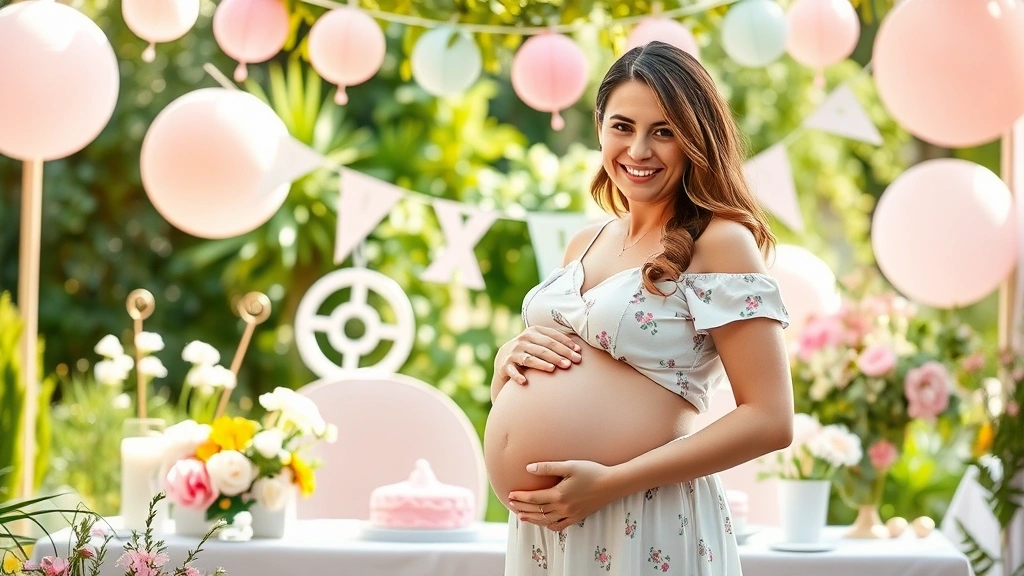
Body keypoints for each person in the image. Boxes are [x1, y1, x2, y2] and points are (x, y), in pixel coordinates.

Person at [485, 41, 794, 575]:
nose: (639, 150)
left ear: (696, 140)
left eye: (664, 131)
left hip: (641, 516)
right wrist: (505, 365)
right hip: (549, 534)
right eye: (623, 126)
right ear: (601, 127)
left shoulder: (721, 243)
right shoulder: (584, 241)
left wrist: (610, 484)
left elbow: (770, 419)